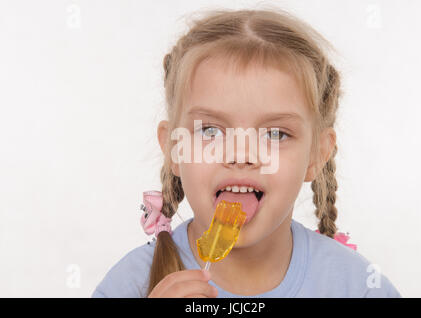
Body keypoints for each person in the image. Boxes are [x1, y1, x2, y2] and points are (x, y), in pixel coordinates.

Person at [92, 8, 401, 298]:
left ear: (316, 156)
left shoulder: (357, 286)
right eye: (210, 130)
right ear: (175, 148)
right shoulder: (131, 284)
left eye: (275, 134)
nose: (241, 155)